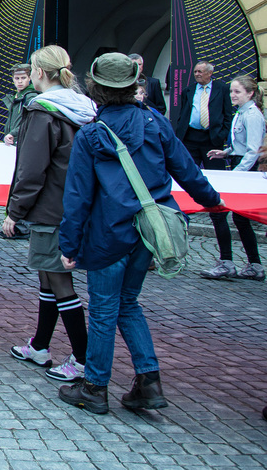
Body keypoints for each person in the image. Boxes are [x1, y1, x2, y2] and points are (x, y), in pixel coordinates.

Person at [58, 53, 223, 415]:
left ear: (95, 88)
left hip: (108, 233)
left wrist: (68, 244)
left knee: (104, 309)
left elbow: (78, 197)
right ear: (133, 83)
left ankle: (95, 387)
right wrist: (212, 201)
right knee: (128, 303)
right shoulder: (155, 122)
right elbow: (187, 170)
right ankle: (148, 382)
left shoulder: (91, 135)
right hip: (150, 231)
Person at [3, 46, 96, 384]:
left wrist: (15, 211)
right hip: (74, 202)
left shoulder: (42, 111)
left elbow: (32, 168)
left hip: (51, 207)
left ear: (39, 73)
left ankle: (83, 359)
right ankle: (40, 345)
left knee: (58, 281)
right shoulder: (83, 107)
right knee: (48, 276)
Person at [203, 74, 266, 281]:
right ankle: (253, 265)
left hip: (246, 169)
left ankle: (228, 263)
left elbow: (253, 150)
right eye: (231, 91)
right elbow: (241, 144)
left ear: (250, 93)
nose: (233, 95)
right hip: (241, 165)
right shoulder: (241, 112)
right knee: (238, 218)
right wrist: (226, 152)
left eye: (237, 91)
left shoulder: (252, 115)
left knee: (219, 213)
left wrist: (238, 174)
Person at [175, 61, 232, 170]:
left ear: (210, 73)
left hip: (213, 138)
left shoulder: (222, 89)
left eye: (200, 71)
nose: (197, 74)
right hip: (191, 138)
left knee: (215, 172)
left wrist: (222, 134)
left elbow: (227, 115)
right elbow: (183, 114)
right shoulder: (188, 90)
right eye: (195, 72)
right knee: (189, 171)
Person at [2, 64, 37, 146]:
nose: (20, 81)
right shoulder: (15, 97)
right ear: (13, 79)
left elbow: (31, 122)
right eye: (17, 78)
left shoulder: (31, 97)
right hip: (12, 141)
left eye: (23, 78)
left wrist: (13, 133)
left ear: (29, 78)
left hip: (24, 142)